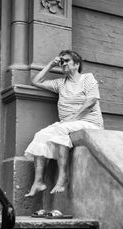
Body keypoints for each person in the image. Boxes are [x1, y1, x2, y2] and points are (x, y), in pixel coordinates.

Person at [24, 50, 104, 197]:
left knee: (61, 130)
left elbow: (91, 101)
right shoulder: (61, 83)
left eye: (67, 61)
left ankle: (63, 178)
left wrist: (73, 119)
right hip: (67, 124)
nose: (63, 64)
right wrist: (50, 65)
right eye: (62, 62)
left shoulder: (87, 78)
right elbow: (36, 81)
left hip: (89, 122)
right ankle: (39, 182)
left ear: (77, 64)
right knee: (40, 135)